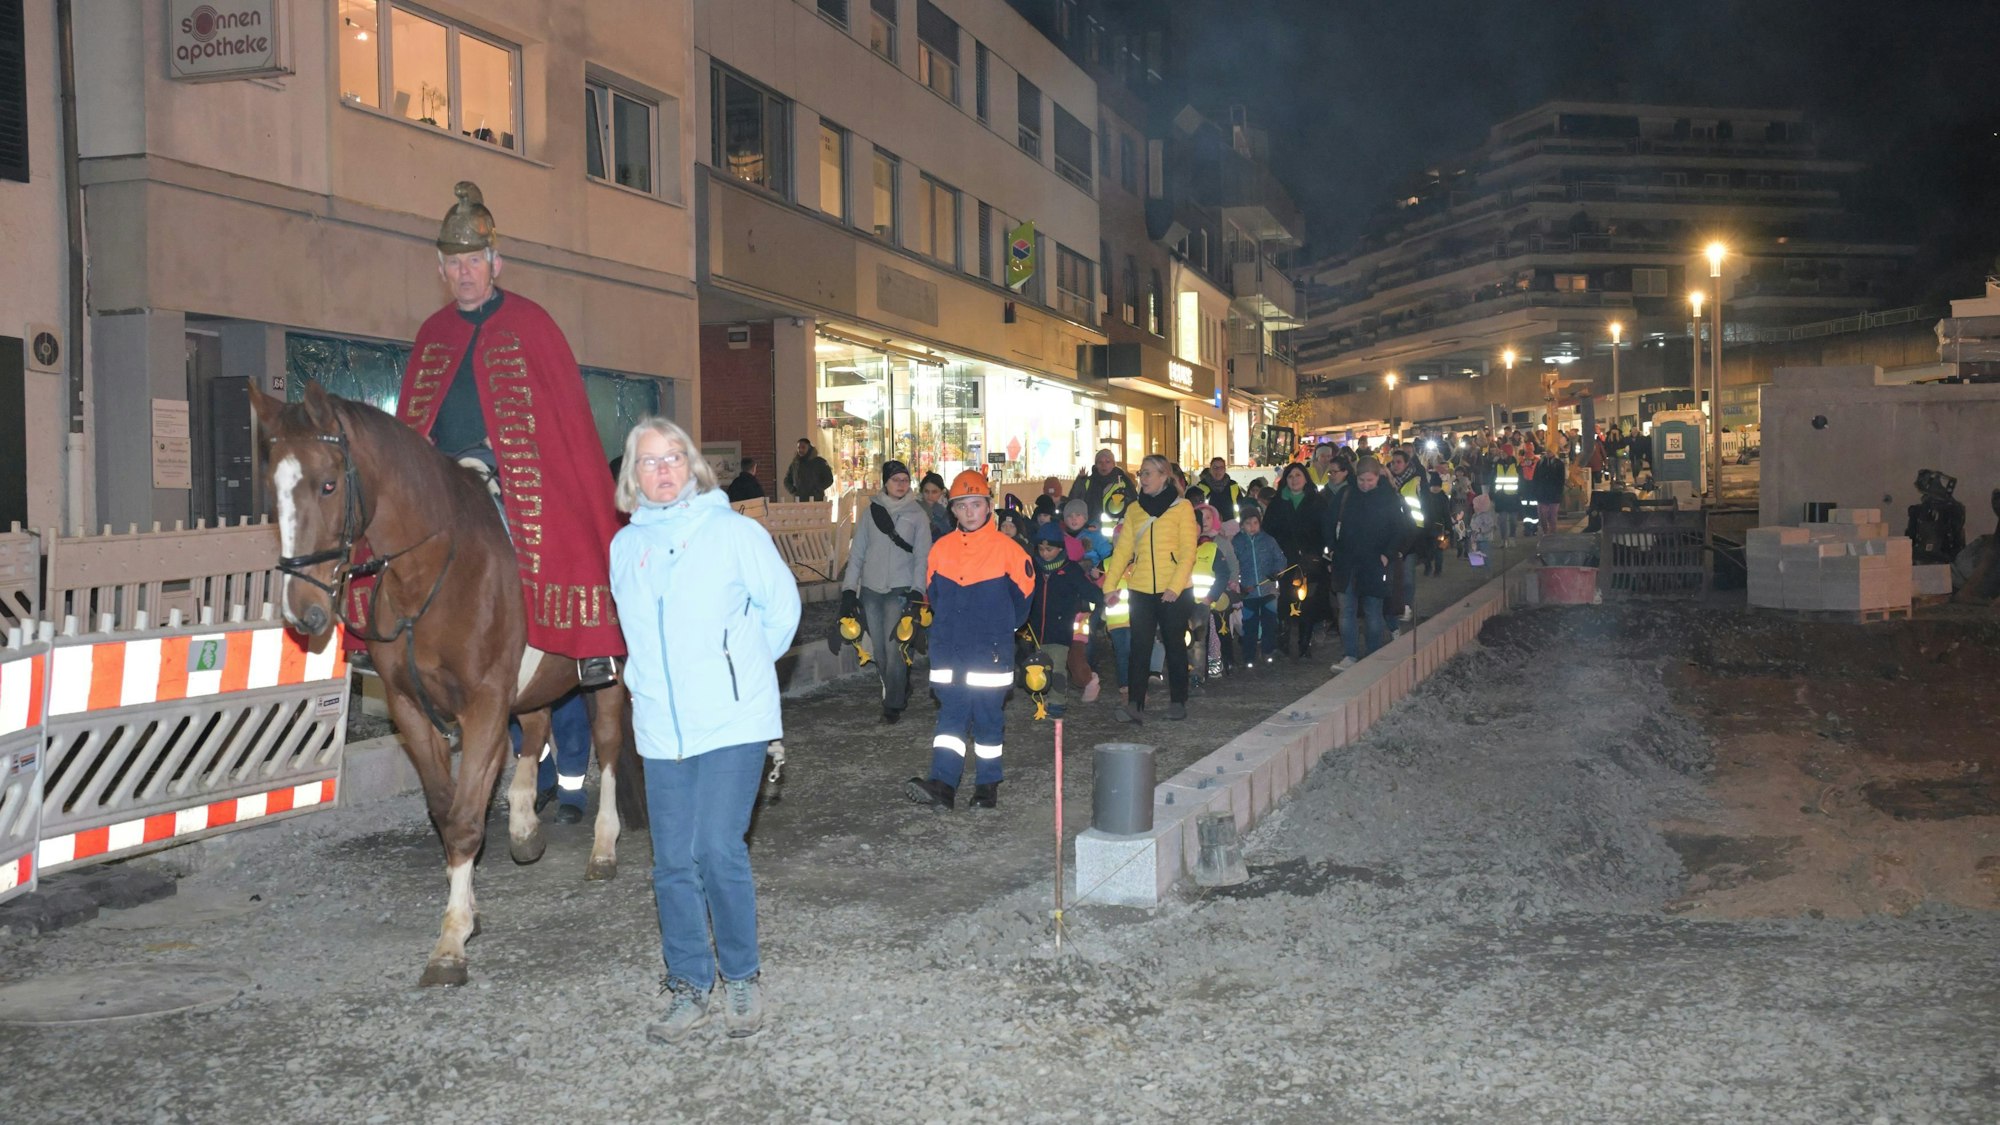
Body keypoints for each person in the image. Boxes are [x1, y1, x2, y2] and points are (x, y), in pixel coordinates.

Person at [610, 416, 801, 1046]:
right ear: (632, 477)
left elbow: (782, 610)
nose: (662, 471)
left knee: (718, 848)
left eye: (672, 458)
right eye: (648, 461)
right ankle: (689, 983)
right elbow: (633, 634)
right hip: (662, 728)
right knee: (671, 862)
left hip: (733, 720)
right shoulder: (624, 548)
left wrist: (739, 672)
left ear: (691, 466)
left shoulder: (734, 532)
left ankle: (741, 974)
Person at [395, 181, 624, 690]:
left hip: (519, 475)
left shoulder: (532, 324)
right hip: (442, 475)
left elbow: (563, 424)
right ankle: (389, 640)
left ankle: (590, 647)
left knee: (565, 527)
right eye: (454, 264)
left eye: (474, 261)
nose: (464, 273)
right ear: (440, 270)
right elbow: (415, 420)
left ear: (495, 264)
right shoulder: (432, 333)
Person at [907, 470, 1034, 811]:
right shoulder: (940, 550)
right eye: (962, 506)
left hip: (989, 653)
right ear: (952, 510)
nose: (969, 512)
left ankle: (986, 786)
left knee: (988, 719)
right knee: (950, 720)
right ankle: (942, 784)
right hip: (949, 651)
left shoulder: (1009, 551)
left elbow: (1022, 608)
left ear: (989, 506)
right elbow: (934, 595)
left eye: (976, 504)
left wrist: (992, 627)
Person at [1104, 454, 1198, 723]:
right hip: (1141, 588)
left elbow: (1188, 552)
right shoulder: (1135, 509)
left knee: (1175, 645)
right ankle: (1135, 704)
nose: (1142, 478)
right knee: (1139, 647)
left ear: (1163, 475)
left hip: (1175, 590)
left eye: (1147, 473)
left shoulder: (1182, 508)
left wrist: (1175, 586)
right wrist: (1109, 586)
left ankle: (1178, 700)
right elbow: (1123, 551)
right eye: (1141, 474)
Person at [841, 460, 933, 724]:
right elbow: (857, 554)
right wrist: (849, 589)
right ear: (885, 482)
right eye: (896, 480)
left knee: (894, 649)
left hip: (900, 589)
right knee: (879, 650)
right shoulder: (871, 512)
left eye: (905, 480)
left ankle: (892, 703)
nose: (901, 484)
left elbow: (922, 557)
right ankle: (899, 686)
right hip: (871, 589)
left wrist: (918, 590)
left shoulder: (917, 515)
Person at [1024, 522, 1103, 717]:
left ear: (1059, 548)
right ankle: (1044, 699)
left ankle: (1058, 702)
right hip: (1038, 630)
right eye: (1041, 549)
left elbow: (1089, 590)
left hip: (1061, 629)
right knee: (1041, 667)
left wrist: (1103, 597)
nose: (1044, 553)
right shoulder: (1033, 569)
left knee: (1057, 666)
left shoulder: (1070, 570)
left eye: (1049, 549)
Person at [1332, 456, 1401, 672]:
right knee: (1347, 609)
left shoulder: (1388, 498)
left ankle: (1373, 652)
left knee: (1373, 610)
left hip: (1374, 562)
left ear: (1378, 477)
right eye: (1362, 480)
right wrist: (1333, 549)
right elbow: (1330, 522)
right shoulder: (1346, 494)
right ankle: (1350, 654)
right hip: (1347, 562)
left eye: (1369, 480)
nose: (1365, 485)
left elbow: (1400, 529)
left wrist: (1387, 554)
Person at [1263, 463, 1326, 658]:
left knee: (1309, 600)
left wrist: (1317, 552)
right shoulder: (1277, 503)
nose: (1294, 479)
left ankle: (1305, 642)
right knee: (1286, 598)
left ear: (1305, 478)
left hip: (1311, 560)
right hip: (1284, 559)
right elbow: (1268, 531)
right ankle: (1284, 638)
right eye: (1290, 476)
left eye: (1298, 475)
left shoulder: (1316, 501)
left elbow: (1324, 530)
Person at [1229, 502, 1286, 668]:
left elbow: (1280, 559)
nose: (1252, 527)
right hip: (1249, 592)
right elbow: (1233, 566)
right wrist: (1238, 584)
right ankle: (1249, 656)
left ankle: (1268, 651)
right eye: (1248, 523)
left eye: (1255, 523)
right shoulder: (1237, 543)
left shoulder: (1268, 540)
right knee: (1250, 625)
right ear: (1242, 525)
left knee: (1270, 623)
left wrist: (1277, 571)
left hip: (1268, 590)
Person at [1071, 448, 1136, 523]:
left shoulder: (1123, 483)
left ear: (1113, 464)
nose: (1103, 465)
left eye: (1107, 462)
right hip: (1091, 529)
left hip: (1118, 530)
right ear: (1096, 465)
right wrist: (1080, 482)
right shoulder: (1087, 482)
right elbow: (1075, 502)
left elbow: (1132, 506)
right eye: (1100, 462)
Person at [1198, 457, 1243, 522]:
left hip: (1232, 525)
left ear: (1225, 469)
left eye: (1221, 468)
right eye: (1215, 468)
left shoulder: (1233, 485)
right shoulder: (1201, 486)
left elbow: (1241, 506)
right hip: (1209, 526)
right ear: (1210, 469)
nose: (1218, 471)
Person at [918, 471, 954, 539]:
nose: (930, 496)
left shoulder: (950, 512)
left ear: (942, 492)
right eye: (926, 491)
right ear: (921, 491)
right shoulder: (914, 508)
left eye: (934, 492)